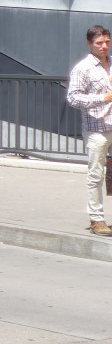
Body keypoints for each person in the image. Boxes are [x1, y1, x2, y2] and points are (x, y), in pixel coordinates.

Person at [66, 25, 112, 237]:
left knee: (108, 172)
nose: (104, 46)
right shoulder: (83, 68)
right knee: (96, 174)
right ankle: (96, 219)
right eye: (99, 43)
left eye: (107, 42)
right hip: (97, 128)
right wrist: (100, 99)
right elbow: (73, 97)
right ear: (89, 43)